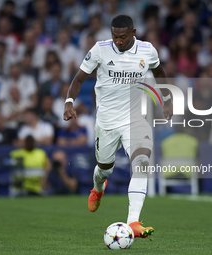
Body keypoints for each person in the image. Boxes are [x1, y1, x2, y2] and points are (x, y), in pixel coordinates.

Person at [63, 15, 173, 238]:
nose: (118, 41)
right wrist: (68, 101)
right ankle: (98, 188)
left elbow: (159, 73)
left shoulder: (147, 50)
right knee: (104, 169)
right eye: (114, 37)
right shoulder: (100, 50)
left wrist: (167, 99)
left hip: (135, 118)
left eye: (122, 37)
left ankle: (133, 221)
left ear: (133, 33)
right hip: (107, 121)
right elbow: (78, 80)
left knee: (142, 162)